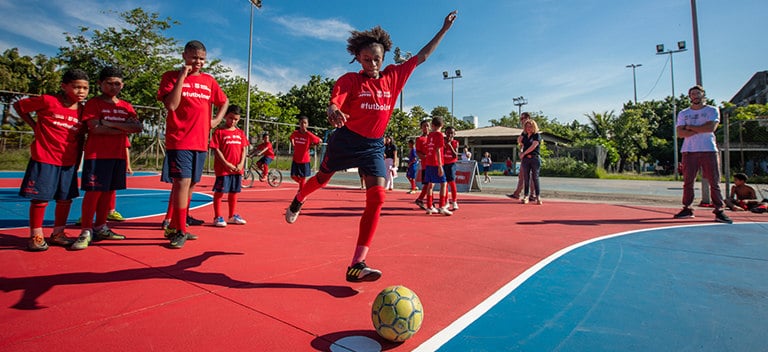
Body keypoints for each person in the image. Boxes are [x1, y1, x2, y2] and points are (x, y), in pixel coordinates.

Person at [284, 10, 458, 282]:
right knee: (321, 180)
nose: (372, 63)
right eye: (366, 59)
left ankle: (357, 264)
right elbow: (336, 100)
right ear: (358, 58)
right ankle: (299, 199)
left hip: (374, 146)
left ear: (383, 57)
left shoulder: (394, 76)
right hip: (346, 141)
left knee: (377, 198)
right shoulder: (351, 80)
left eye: (376, 58)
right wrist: (332, 109)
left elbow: (422, 56)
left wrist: (444, 29)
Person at [158, 40, 229, 248]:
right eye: (194, 57)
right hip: (179, 139)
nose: (198, 62)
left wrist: (216, 121)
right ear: (184, 56)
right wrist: (182, 75)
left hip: (200, 141)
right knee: (181, 182)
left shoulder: (209, 81)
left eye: (201, 59)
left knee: (191, 184)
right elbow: (171, 105)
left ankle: (180, 223)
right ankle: (178, 229)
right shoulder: (170, 77)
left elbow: (223, 101)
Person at [14, 69, 89, 251]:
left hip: (69, 161)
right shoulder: (48, 101)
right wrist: (34, 126)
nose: (81, 91)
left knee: (65, 198)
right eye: (76, 87)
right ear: (64, 86)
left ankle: (58, 233)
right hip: (45, 157)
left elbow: (81, 136)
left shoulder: (83, 111)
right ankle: (36, 236)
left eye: (85, 88)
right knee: (40, 199)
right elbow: (19, 107)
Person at [73, 66, 143, 250]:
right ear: (100, 84)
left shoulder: (126, 106)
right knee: (94, 193)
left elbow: (137, 127)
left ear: (123, 85)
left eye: (117, 84)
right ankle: (86, 230)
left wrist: (109, 123)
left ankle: (101, 226)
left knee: (108, 192)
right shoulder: (93, 104)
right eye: (109, 83)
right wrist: (122, 127)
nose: (114, 87)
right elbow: (95, 128)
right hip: (97, 155)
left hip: (118, 155)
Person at [673, 85, 732, 224]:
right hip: (689, 150)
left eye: (697, 93)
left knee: (714, 181)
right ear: (690, 96)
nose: (695, 96)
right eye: (692, 94)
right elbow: (680, 133)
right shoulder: (683, 113)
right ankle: (687, 208)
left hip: (708, 149)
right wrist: (700, 128)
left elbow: (711, 128)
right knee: (688, 182)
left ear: (702, 95)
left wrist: (690, 127)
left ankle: (719, 210)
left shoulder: (712, 110)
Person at [209, 105, 249, 227]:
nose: (233, 121)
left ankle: (232, 216)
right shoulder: (219, 132)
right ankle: (217, 217)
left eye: (236, 119)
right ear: (225, 116)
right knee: (220, 192)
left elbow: (244, 149)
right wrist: (226, 163)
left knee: (233, 192)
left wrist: (241, 163)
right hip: (223, 170)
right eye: (231, 118)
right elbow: (216, 150)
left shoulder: (240, 133)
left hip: (237, 169)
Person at [423, 116, 451, 215]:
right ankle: (442, 206)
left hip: (429, 162)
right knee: (444, 183)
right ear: (442, 125)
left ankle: (430, 206)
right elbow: (438, 150)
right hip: (436, 162)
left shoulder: (430, 135)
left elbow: (429, 148)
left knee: (430, 184)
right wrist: (439, 165)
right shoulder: (439, 135)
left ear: (432, 125)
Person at [289, 116, 322, 192]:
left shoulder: (309, 135)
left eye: (305, 123)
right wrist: (293, 144)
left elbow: (319, 140)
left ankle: (301, 192)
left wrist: (312, 145)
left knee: (302, 177)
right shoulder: (295, 133)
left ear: (307, 124)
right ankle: (303, 185)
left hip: (304, 160)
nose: (303, 124)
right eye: (301, 123)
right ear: (299, 124)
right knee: (293, 176)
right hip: (296, 159)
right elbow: (291, 138)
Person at [507, 112, 533, 199]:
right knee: (521, 175)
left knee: (531, 176)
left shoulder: (531, 130)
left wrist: (524, 151)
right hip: (524, 155)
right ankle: (517, 193)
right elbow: (519, 141)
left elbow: (522, 141)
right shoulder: (524, 131)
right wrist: (522, 151)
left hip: (531, 156)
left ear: (528, 118)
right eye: (521, 119)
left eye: (523, 118)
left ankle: (532, 194)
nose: (521, 121)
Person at [519, 119, 542, 205]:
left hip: (534, 158)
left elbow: (534, 146)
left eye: (530, 126)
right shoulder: (524, 136)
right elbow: (520, 143)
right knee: (526, 177)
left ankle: (538, 196)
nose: (528, 128)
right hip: (526, 159)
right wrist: (521, 152)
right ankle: (526, 196)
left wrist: (524, 152)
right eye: (527, 126)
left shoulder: (537, 135)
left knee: (535, 177)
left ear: (534, 127)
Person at [414, 119, 431, 210]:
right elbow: (418, 153)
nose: (426, 128)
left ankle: (423, 199)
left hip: (434, 164)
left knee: (430, 184)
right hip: (426, 165)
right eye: (424, 126)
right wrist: (426, 157)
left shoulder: (432, 137)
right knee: (428, 184)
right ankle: (425, 200)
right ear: (421, 128)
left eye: (428, 125)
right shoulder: (420, 139)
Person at [443, 126, 459, 210]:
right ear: (445, 133)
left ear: (454, 134)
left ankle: (454, 201)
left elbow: (455, 154)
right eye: (448, 132)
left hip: (451, 164)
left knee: (452, 183)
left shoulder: (455, 142)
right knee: (444, 183)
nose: (450, 134)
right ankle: (446, 201)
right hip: (443, 164)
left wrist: (449, 145)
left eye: (452, 133)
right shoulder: (442, 141)